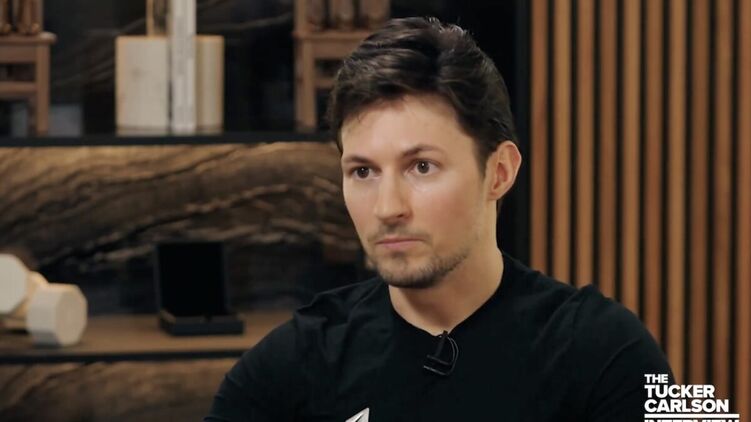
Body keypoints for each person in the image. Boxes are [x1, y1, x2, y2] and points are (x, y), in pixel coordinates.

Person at [205, 17, 673, 421]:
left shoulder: (609, 353)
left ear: (499, 172)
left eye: (422, 167)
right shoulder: (293, 364)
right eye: (363, 171)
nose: (388, 207)